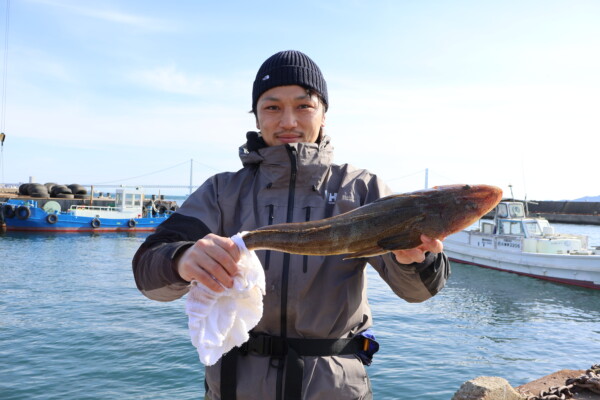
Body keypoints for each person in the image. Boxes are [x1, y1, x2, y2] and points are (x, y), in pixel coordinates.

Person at [132, 50, 450, 400]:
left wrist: (416, 260)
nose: (288, 121)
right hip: (236, 385)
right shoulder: (222, 192)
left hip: (334, 387)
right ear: (256, 116)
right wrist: (182, 259)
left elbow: (417, 292)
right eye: (272, 107)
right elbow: (148, 273)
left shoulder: (362, 189)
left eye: (303, 106)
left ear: (324, 114)